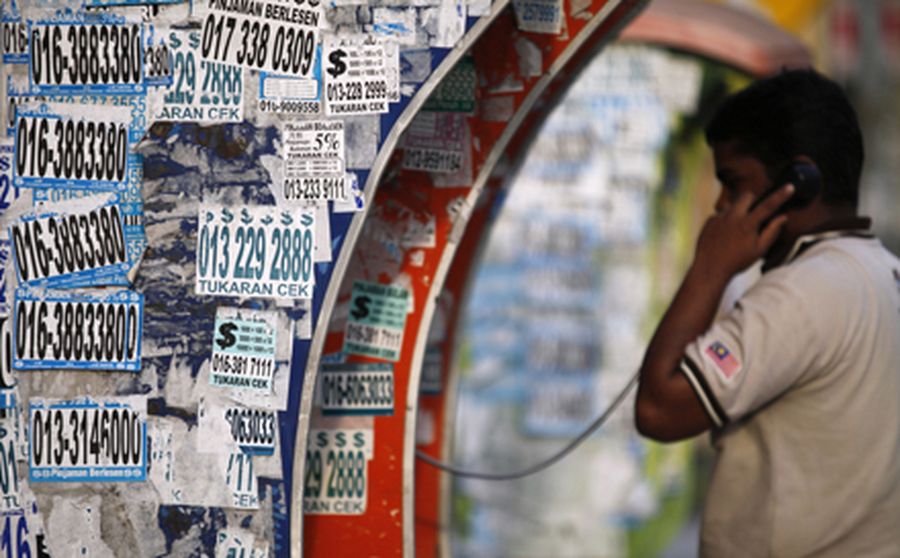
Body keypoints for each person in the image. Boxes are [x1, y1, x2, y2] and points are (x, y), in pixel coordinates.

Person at [634, 68, 900, 557]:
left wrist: (709, 269)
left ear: (798, 183)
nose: (720, 205)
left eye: (733, 184)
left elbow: (658, 409)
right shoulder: (882, 272)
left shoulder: (801, 294)